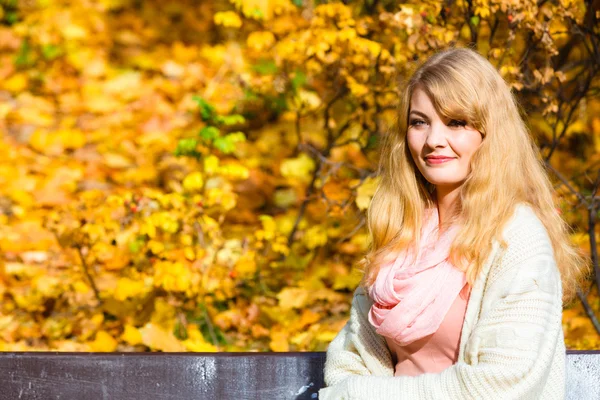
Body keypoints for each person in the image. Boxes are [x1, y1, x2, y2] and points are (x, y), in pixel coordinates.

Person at [318, 48, 586, 400]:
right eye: (419, 122)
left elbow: (498, 385)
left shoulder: (516, 237)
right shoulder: (402, 234)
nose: (433, 140)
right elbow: (346, 363)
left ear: (490, 134)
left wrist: (361, 395)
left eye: (456, 122)